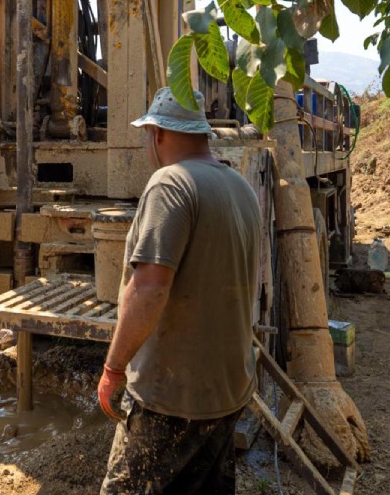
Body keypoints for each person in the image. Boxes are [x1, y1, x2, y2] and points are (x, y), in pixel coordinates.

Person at [96, 87, 262, 494]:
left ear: (158, 133)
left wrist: (113, 369)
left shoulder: (170, 184)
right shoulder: (239, 187)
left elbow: (149, 289)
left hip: (172, 398)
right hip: (228, 390)